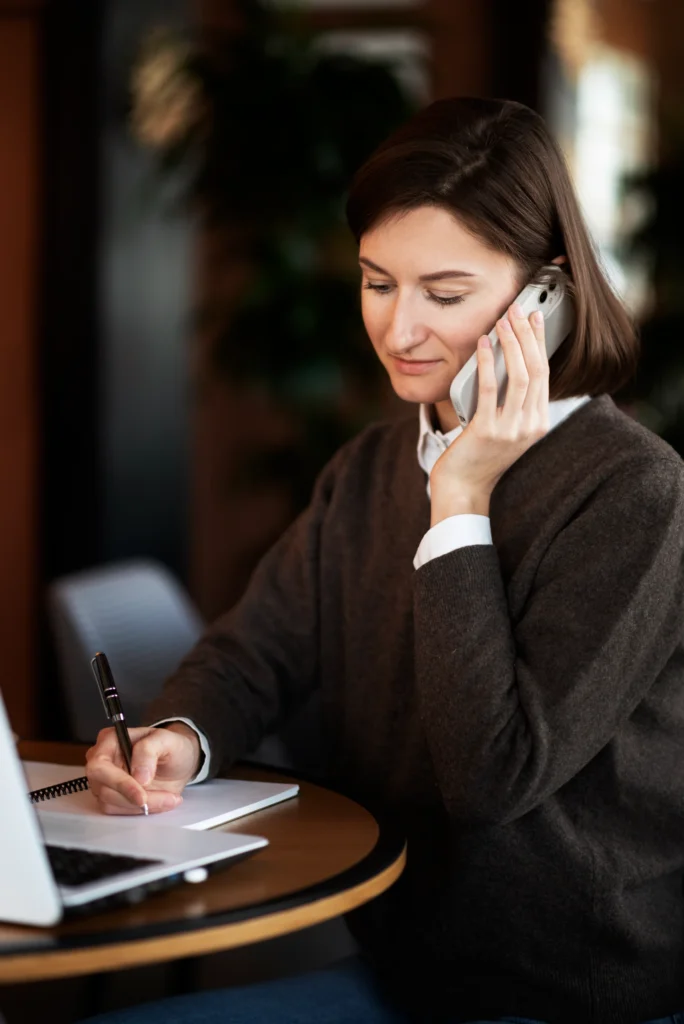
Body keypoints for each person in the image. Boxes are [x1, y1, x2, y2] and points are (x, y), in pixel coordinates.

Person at [82, 97, 684, 1024]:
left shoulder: (634, 493)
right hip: (393, 959)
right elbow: (257, 651)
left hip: (556, 991)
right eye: (376, 283)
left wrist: (461, 500)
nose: (399, 331)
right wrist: (178, 739)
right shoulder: (368, 468)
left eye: (444, 295)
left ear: (547, 299)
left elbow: (494, 779)